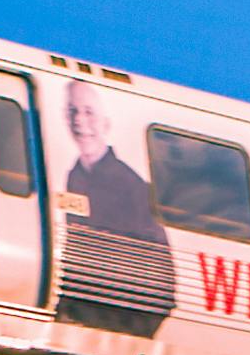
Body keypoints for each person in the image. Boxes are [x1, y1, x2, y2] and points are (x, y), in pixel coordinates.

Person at [51, 78, 174, 340]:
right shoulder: (75, 176)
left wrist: (124, 337)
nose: (79, 121)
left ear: (106, 123)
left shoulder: (132, 187)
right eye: (72, 111)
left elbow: (163, 283)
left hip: (115, 326)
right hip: (80, 321)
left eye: (88, 112)